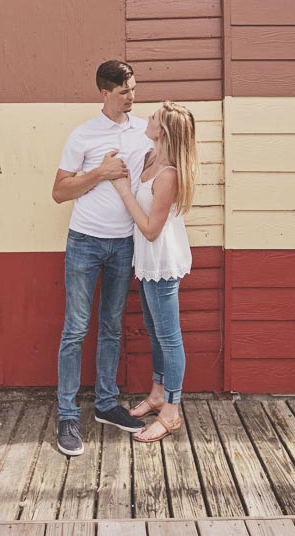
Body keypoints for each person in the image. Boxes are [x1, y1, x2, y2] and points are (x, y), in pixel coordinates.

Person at [51, 60, 151, 456]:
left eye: (134, 89)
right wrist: (102, 172)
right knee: (76, 329)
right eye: (125, 90)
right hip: (85, 242)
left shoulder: (144, 130)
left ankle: (107, 404)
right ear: (105, 94)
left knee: (111, 326)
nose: (132, 96)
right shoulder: (83, 136)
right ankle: (67, 415)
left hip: (124, 242)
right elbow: (60, 192)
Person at [110, 101, 198, 443]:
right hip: (147, 263)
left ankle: (172, 411)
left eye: (153, 119)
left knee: (169, 337)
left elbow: (150, 229)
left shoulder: (169, 175)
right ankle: (159, 392)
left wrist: (123, 190)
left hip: (162, 262)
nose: (147, 119)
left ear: (161, 131)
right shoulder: (151, 159)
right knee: (153, 329)